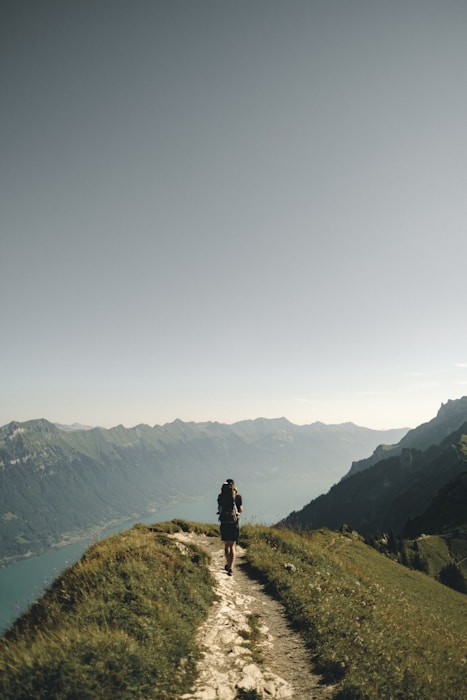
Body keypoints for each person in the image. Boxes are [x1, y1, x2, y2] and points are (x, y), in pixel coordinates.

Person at [217, 478, 243, 576]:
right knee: (232, 546)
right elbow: (240, 510)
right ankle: (231, 568)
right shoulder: (238, 497)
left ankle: (228, 564)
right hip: (234, 524)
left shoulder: (220, 497)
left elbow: (219, 509)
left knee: (227, 545)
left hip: (224, 523)